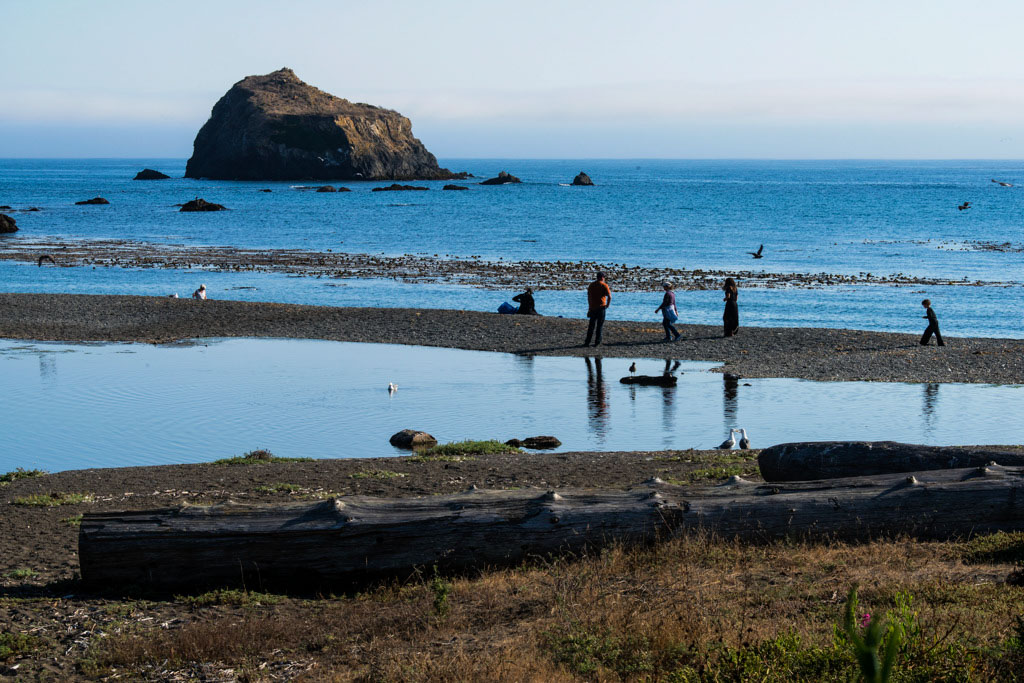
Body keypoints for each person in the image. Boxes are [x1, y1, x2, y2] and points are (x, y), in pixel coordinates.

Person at [583, 271, 611, 347]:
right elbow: (609, 297)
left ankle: (587, 342)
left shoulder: (591, 285)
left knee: (591, 325)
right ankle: (597, 342)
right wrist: (607, 305)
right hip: (601, 307)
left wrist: (589, 307)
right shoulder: (604, 285)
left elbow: (589, 297)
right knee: (599, 326)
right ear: (602, 277)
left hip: (592, 307)